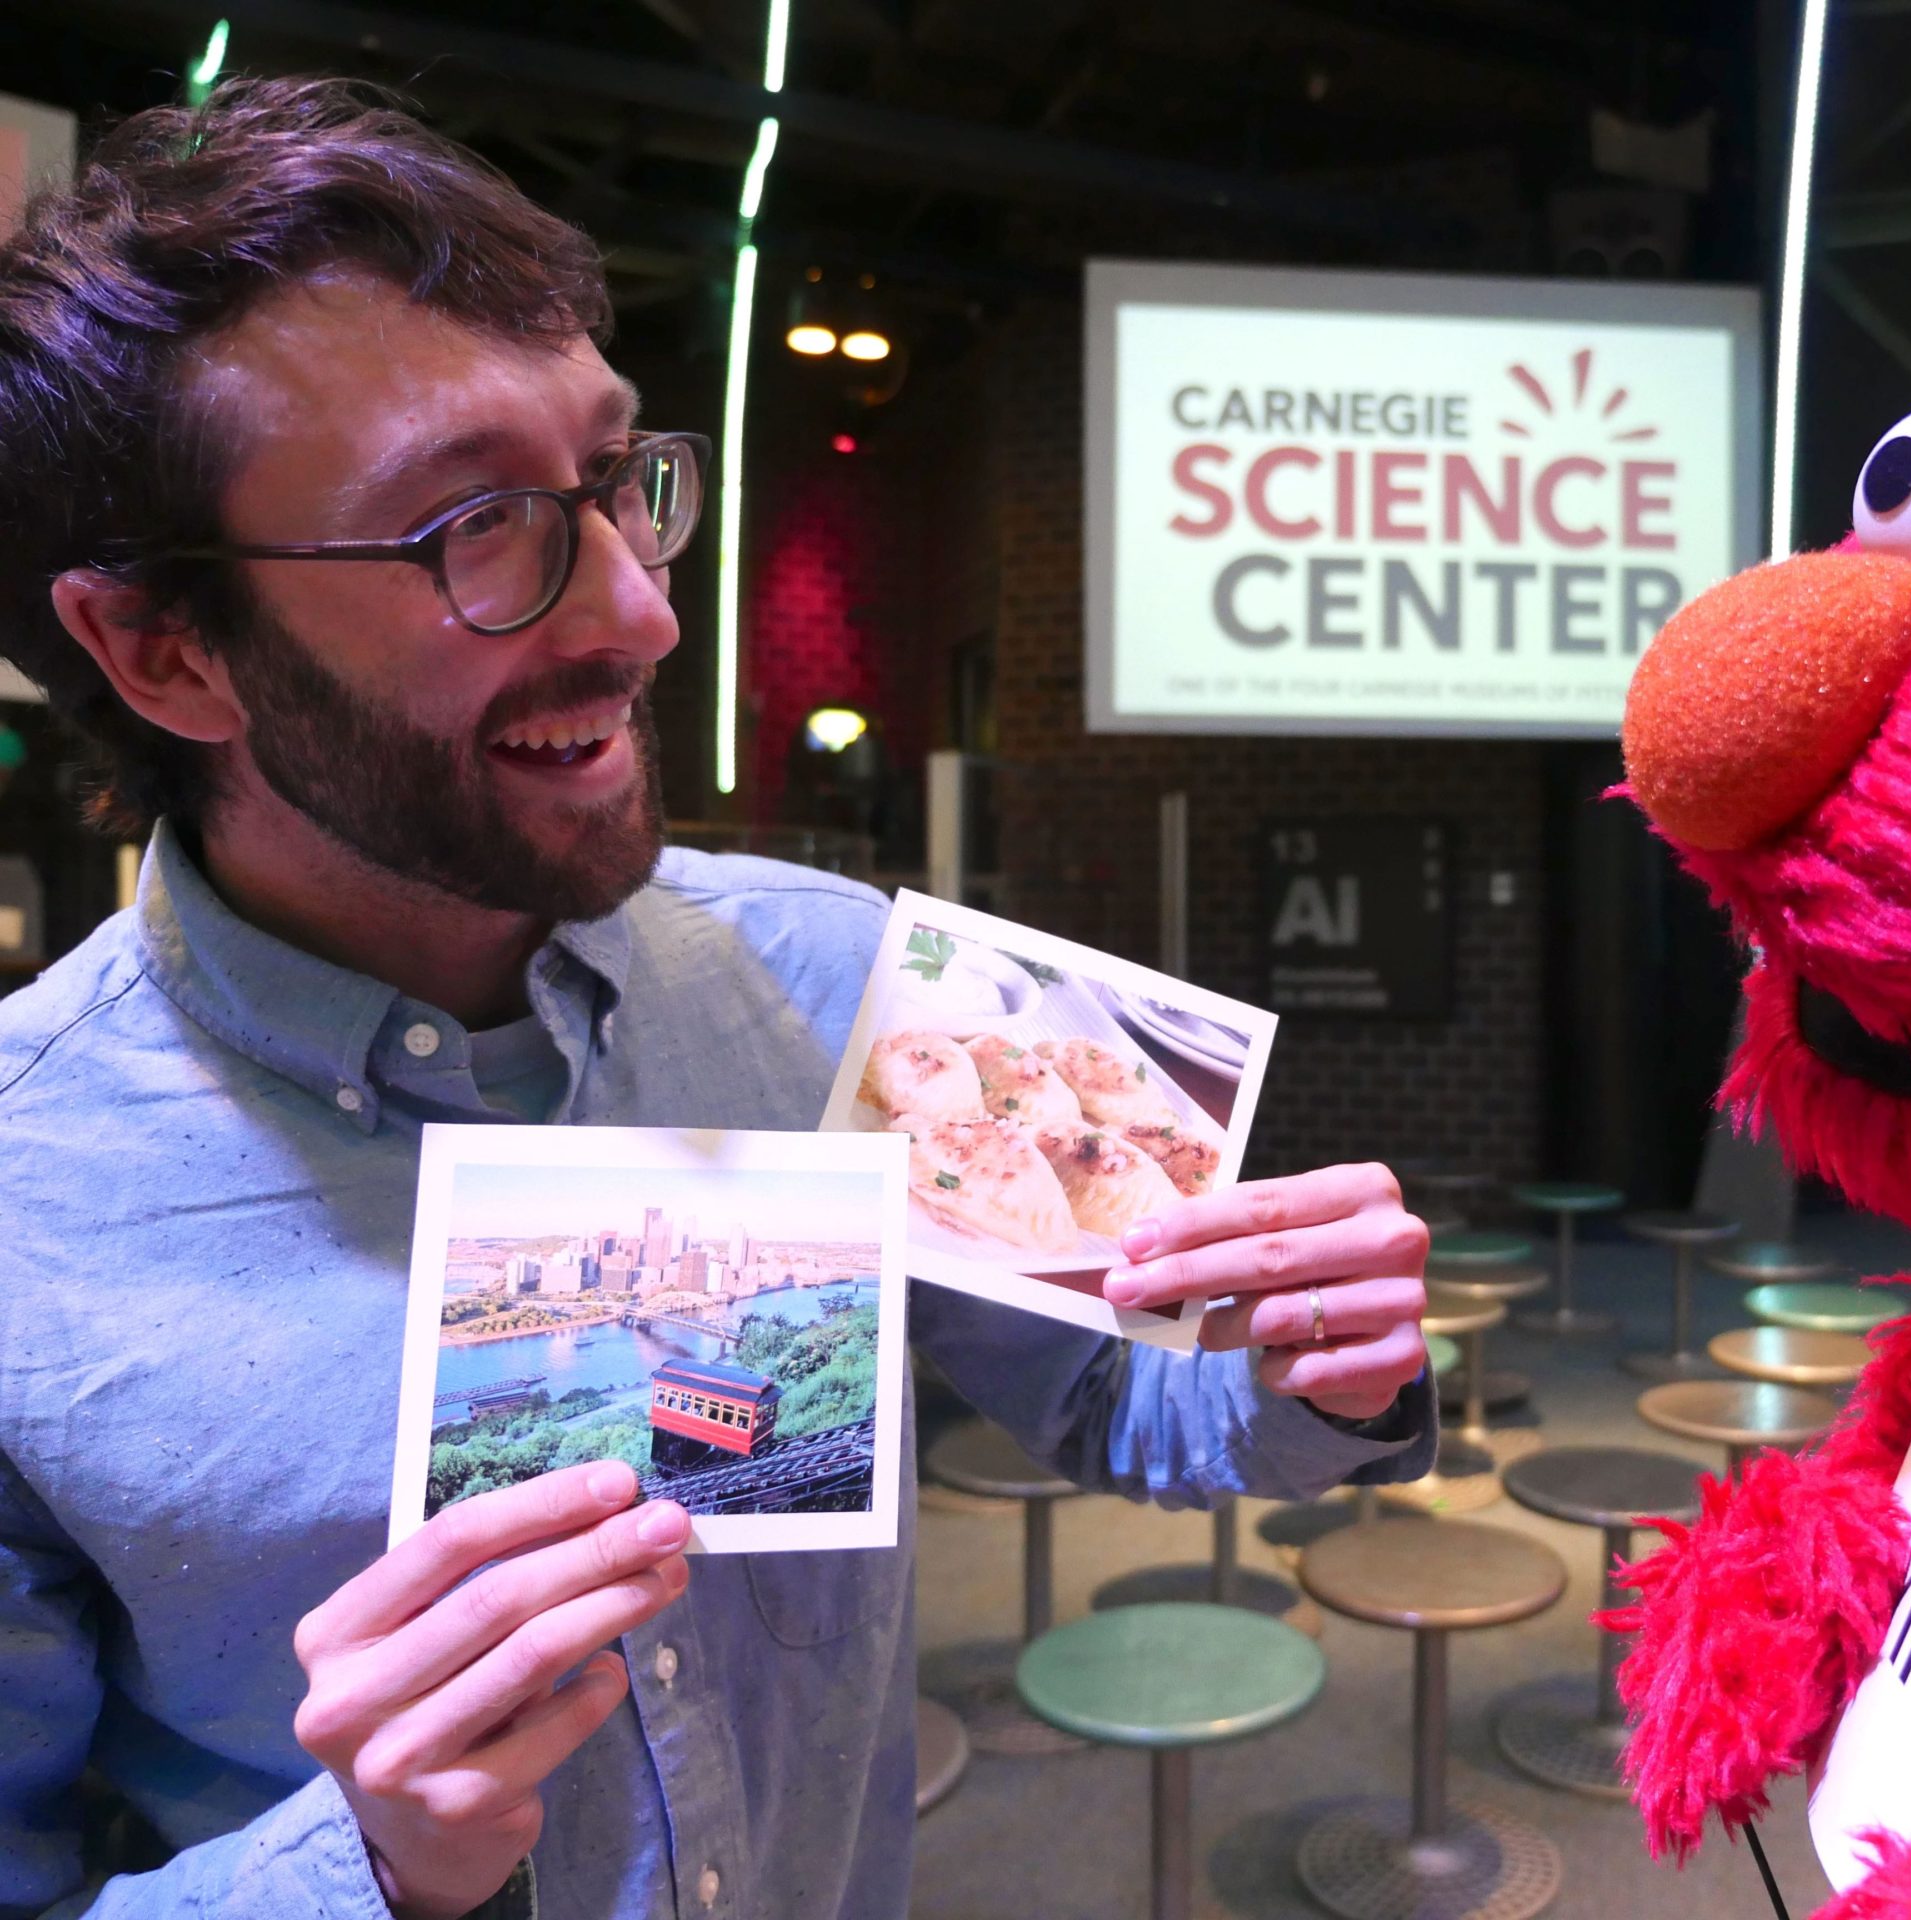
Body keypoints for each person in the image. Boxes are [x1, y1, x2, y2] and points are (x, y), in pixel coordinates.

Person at [0, 78, 1435, 1920]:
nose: (640, 611)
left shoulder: (832, 972)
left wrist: (1325, 1368)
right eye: (472, 527)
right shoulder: (30, 1207)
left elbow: (1125, 1402)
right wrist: (356, 1865)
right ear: (164, 649)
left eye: (613, 482)